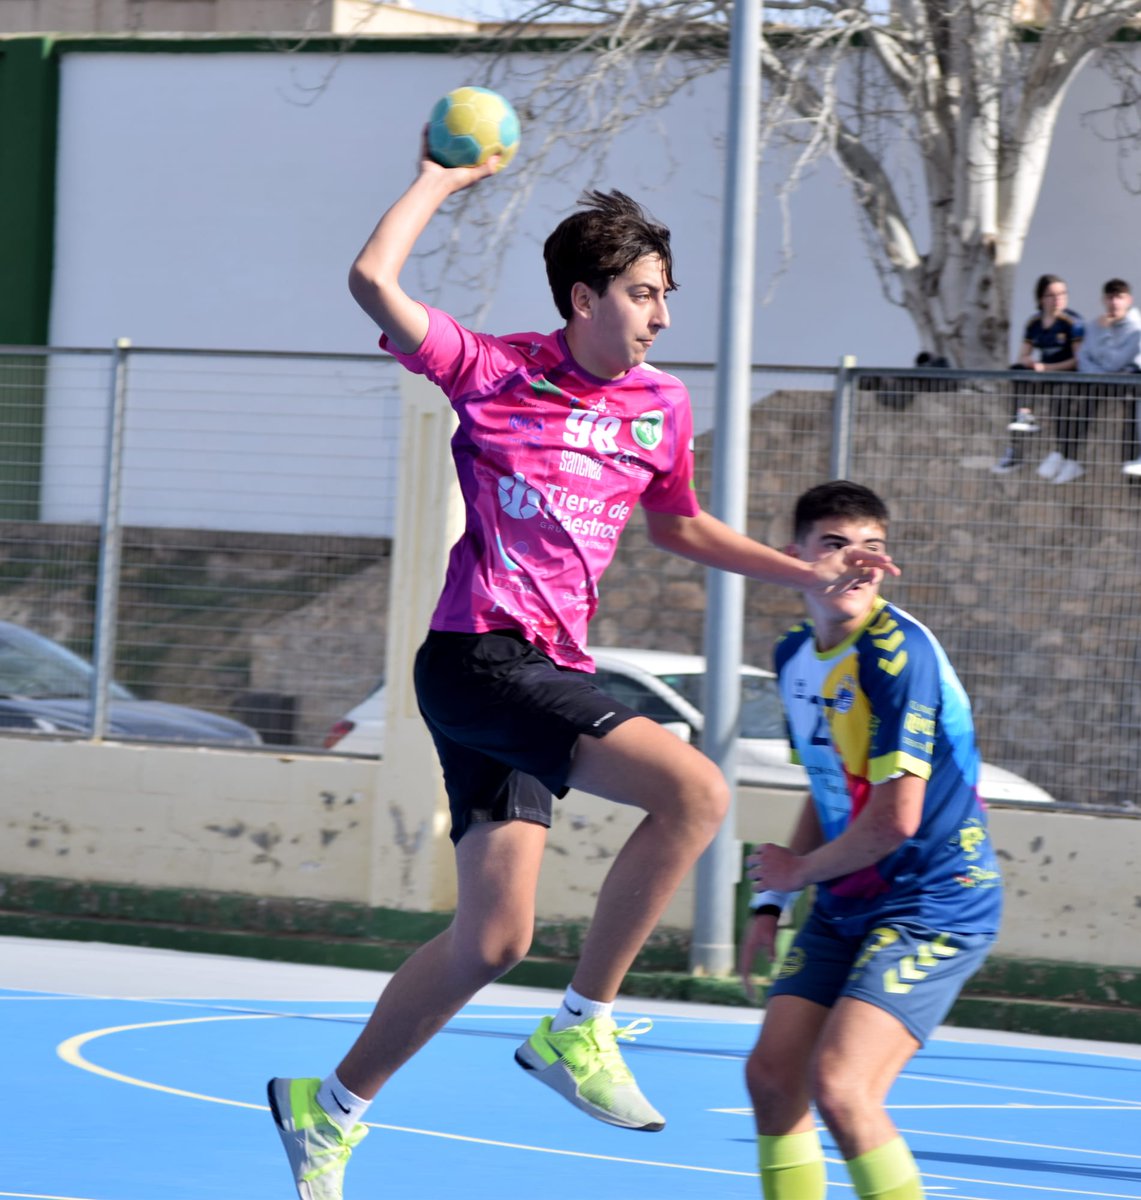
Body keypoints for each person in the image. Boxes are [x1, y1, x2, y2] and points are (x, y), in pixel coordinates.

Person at [266, 145, 897, 1200]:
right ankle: (581, 1029)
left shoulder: (659, 409)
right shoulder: (494, 369)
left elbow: (681, 525)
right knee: (696, 790)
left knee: (494, 940)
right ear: (582, 297)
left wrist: (800, 569)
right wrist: (440, 181)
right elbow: (372, 283)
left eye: (665, 294)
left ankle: (325, 1111)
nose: (659, 314)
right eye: (642, 294)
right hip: (476, 658)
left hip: (535, 671)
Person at [738, 480, 1002, 1200]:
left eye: (872, 548)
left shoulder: (896, 658)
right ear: (794, 558)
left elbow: (895, 821)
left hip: (933, 902)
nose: (857, 562)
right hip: (845, 894)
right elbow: (825, 788)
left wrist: (796, 874)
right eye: (834, 544)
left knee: (841, 1087)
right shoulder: (793, 653)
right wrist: (771, 900)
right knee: (769, 1077)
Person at [992, 274, 1083, 478]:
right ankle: (1017, 438)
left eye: (1062, 293)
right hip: (1044, 373)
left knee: (1061, 398)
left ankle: (1064, 453)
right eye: (1051, 295)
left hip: (1066, 375)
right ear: (1041, 299)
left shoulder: (1072, 322)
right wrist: (1028, 361)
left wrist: (1047, 368)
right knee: (1017, 370)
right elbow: (1023, 355)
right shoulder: (1034, 323)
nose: (1058, 298)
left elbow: (1078, 361)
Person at [1077, 278, 1141, 479]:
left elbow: (1115, 363)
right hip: (1103, 381)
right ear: (1104, 300)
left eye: (1119, 297)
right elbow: (1083, 358)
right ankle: (1068, 457)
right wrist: (1100, 373)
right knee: (1074, 399)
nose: (1114, 302)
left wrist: (1105, 333)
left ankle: (1134, 466)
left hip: (1129, 383)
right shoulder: (1096, 325)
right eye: (1111, 297)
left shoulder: (1135, 328)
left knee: (1132, 414)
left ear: (1128, 299)